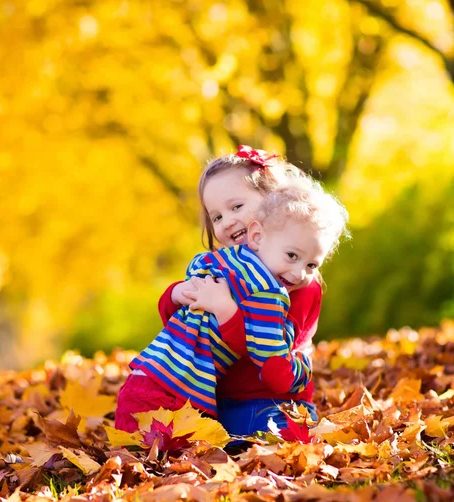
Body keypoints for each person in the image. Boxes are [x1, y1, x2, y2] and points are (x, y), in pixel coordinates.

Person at [116, 147, 349, 435]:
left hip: (269, 397)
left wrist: (226, 310)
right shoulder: (232, 266)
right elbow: (184, 322)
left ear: (272, 201)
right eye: (216, 217)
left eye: (236, 207)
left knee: (263, 431)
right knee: (189, 428)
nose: (227, 221)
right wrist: (181, 293)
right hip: (219, 396)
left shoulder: (298, 282)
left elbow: (268, 351)